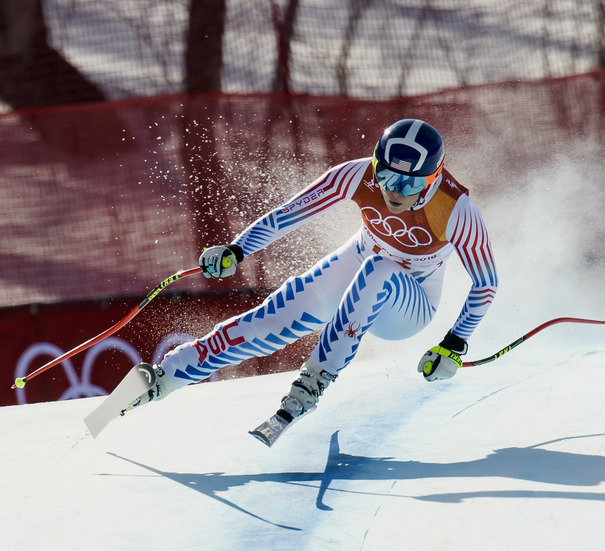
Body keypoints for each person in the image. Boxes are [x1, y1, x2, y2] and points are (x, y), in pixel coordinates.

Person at [124, 118, 499, 446]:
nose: (393, 190)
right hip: (362, 261)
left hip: (411, 304)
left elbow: (486, 283)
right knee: (269, 319)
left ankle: (315, 379)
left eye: (407, 182)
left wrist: (452, 344)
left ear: (434, 178)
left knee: (379, 269)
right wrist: (236, 251)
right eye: (385, 175)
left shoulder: (455, 210)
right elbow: (289, 214)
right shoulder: (357, 176)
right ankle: (165, 377)